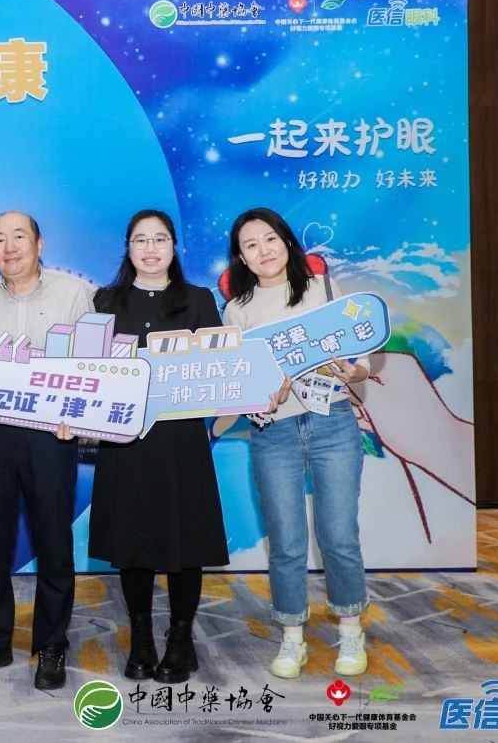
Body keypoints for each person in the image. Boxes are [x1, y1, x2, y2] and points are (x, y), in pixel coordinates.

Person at [221, 207, 370, 679]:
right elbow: (238, 384)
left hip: (333, 424)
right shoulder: (237, 310)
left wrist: (355, 372)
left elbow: (360, 360)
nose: (262, 250)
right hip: (274, 434)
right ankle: (292, 637)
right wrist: (259, 400)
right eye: (250, 245)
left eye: (270, 239)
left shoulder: (324, 289)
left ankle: (351, 630)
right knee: (286, 541)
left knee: (338, 534)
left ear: (286, 241)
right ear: (241, 257)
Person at [0, 210, 93, 691]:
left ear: (40, 244)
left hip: (51, 436)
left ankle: (51, 644)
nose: (9, 246)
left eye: (19, 236)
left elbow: (95, 363)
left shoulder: (74, 294)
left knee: (54, 543)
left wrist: (79, 415)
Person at [90, 210, 229, 683]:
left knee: (184, 542)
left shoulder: (198, 299)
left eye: (160, 239)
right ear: (128, 248)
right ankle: (142, 638)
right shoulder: (105, 301)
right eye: (140, 240)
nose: (150, 249)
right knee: (133, 542)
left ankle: (181, 639)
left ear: (174, 245)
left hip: (181, 441)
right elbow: (91, 369)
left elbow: (219, 368)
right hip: (125, 441)